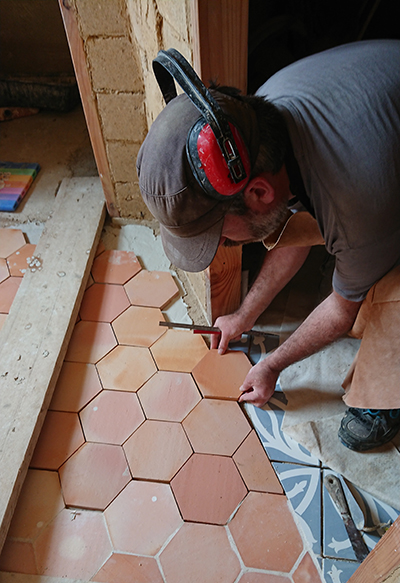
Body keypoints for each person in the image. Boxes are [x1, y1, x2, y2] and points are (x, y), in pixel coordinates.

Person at [137, 40, 400, 452]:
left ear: (257, 192)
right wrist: (244, 315)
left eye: (221, 235)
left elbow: (341, 310)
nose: (223, 245)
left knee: (381, 299)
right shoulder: (256, 123)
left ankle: (388, 397)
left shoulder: (360, 204)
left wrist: (272, 365)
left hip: (378, 190)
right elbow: (293, 219)